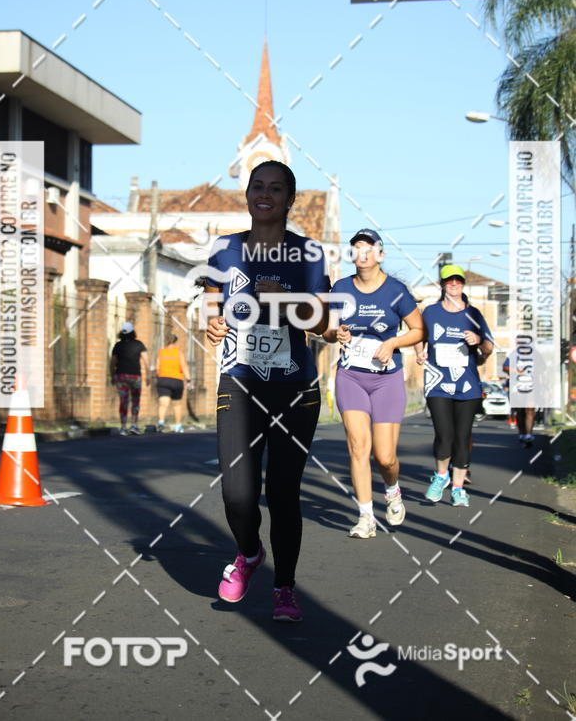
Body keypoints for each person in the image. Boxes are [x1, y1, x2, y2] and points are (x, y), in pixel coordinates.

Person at [205, 160, 329, 622]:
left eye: (276, 189)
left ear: (289, 199)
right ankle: (249, 551)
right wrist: (213, 322)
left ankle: (285, 588)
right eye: (258, 186)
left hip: (295, 387)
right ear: (247, 194)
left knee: (281, 493)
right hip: (239, 380)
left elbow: (322, 321)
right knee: (237, 493)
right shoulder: (225, 249)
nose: (265, 194)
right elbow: (213, 297)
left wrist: (287, 300)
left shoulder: (309, 254)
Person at [323, 229, 425, 538]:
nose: (362, 253)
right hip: (351, 375)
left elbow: (419, 329)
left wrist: (393, 342)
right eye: (356, 248)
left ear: (380, 255)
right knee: (358, 446)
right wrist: (335, 334)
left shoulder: (396, 291)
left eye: (368, 248)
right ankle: (365, 517)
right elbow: (325, 331)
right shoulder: (341, 288)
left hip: (386, 380)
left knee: (385, 457)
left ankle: (392, 489)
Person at [416, 265, 494, 507]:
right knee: (444, 433)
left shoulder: (474, 314)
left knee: (462, 437)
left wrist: (479, 340)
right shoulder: (430, 312)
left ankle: (458, 488)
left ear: (463, 285)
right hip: (438, 383)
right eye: (449, 281)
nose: (454, 285)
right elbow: (418, 336)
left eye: (458, 281)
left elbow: (490, 348)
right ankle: (441, 476)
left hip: (467, 385)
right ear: (442, 285)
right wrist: (420, 353)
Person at [110, 322, 150, 436]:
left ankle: (123, 427)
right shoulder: (139, 345)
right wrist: (148, 375)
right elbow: (146, 362)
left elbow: (112, 363)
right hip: (135, 376)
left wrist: (112, 375)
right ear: (133, 332)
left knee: (123, 401)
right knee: (135, 401)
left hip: (121, 376)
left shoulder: (118, 346)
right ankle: (134, 425)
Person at [155, 335, 192, 432]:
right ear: (175, 342)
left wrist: (159, 376)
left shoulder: (161, 351)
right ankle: (178, 426)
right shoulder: (178, 352)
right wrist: (188, 380)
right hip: (176, 380)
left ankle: (161, 423)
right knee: (177, 404)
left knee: (163, 403)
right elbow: (183, 366)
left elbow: (157, 367)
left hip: (163, 379)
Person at [502, 355, 536, 447]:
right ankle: (522, 433)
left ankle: (529, 434)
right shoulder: (513, 356)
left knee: (530, 410)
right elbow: (505, 367)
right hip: (516, 388)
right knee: (520, 411)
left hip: (531, 387)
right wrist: (518, 372)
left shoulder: (536, 356)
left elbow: (543, 369)